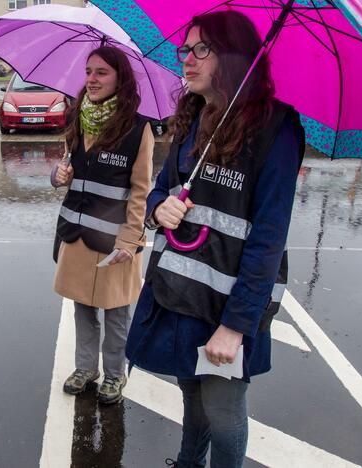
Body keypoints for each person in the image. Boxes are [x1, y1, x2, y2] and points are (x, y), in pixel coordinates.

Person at [127, 11, 305, 468]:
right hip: (180, 291)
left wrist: (236, 325)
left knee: (224, 416)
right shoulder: (193, 117)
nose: (186, 59)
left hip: (228, 306)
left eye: (200, 49)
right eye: (185, 49)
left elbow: (268, 238)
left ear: (233, 57)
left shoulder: (276, 129)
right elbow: (162, 189)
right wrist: (157, 209)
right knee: (192, 395)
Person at [51, 46, 153, 405]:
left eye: (101, 73)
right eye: (88, 71)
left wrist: (130, 237)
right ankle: (85, 368)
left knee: (115, 312)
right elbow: (66, 169)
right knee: (82, 306)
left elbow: (141, 190)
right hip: (77, 235)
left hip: (114, 242)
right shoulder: (78, 117)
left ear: (119, 78)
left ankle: (113, 374)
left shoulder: (139, 129)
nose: (91, 80)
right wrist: (58, 174)